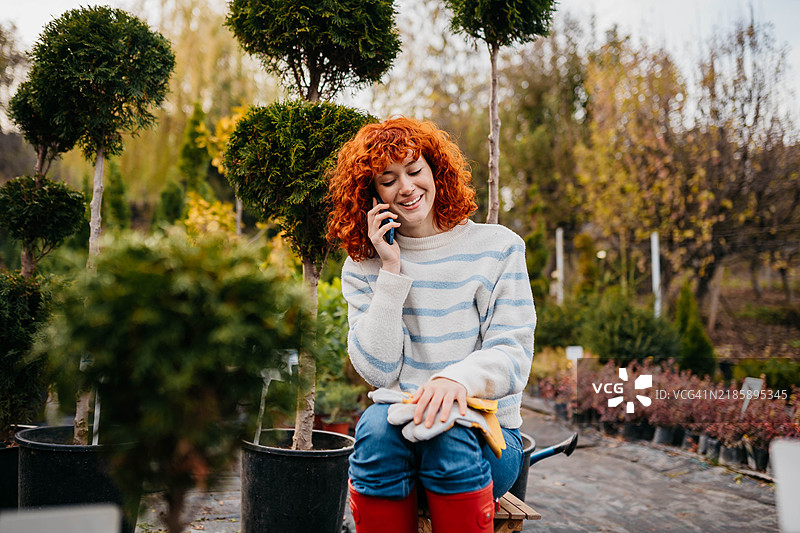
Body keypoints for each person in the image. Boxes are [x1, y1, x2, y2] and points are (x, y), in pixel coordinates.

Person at [326, 116, 536, 533]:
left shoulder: (498, 248)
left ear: (436, 172)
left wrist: (453, 382)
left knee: (448, 435)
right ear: (372, 194)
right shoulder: (363, 267)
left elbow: (513, 355)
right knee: (373, 428)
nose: (405, 187)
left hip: (486, 437)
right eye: (388, 179)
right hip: (398, 439)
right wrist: (390, 271)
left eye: (414, 170)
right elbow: (379, 371)